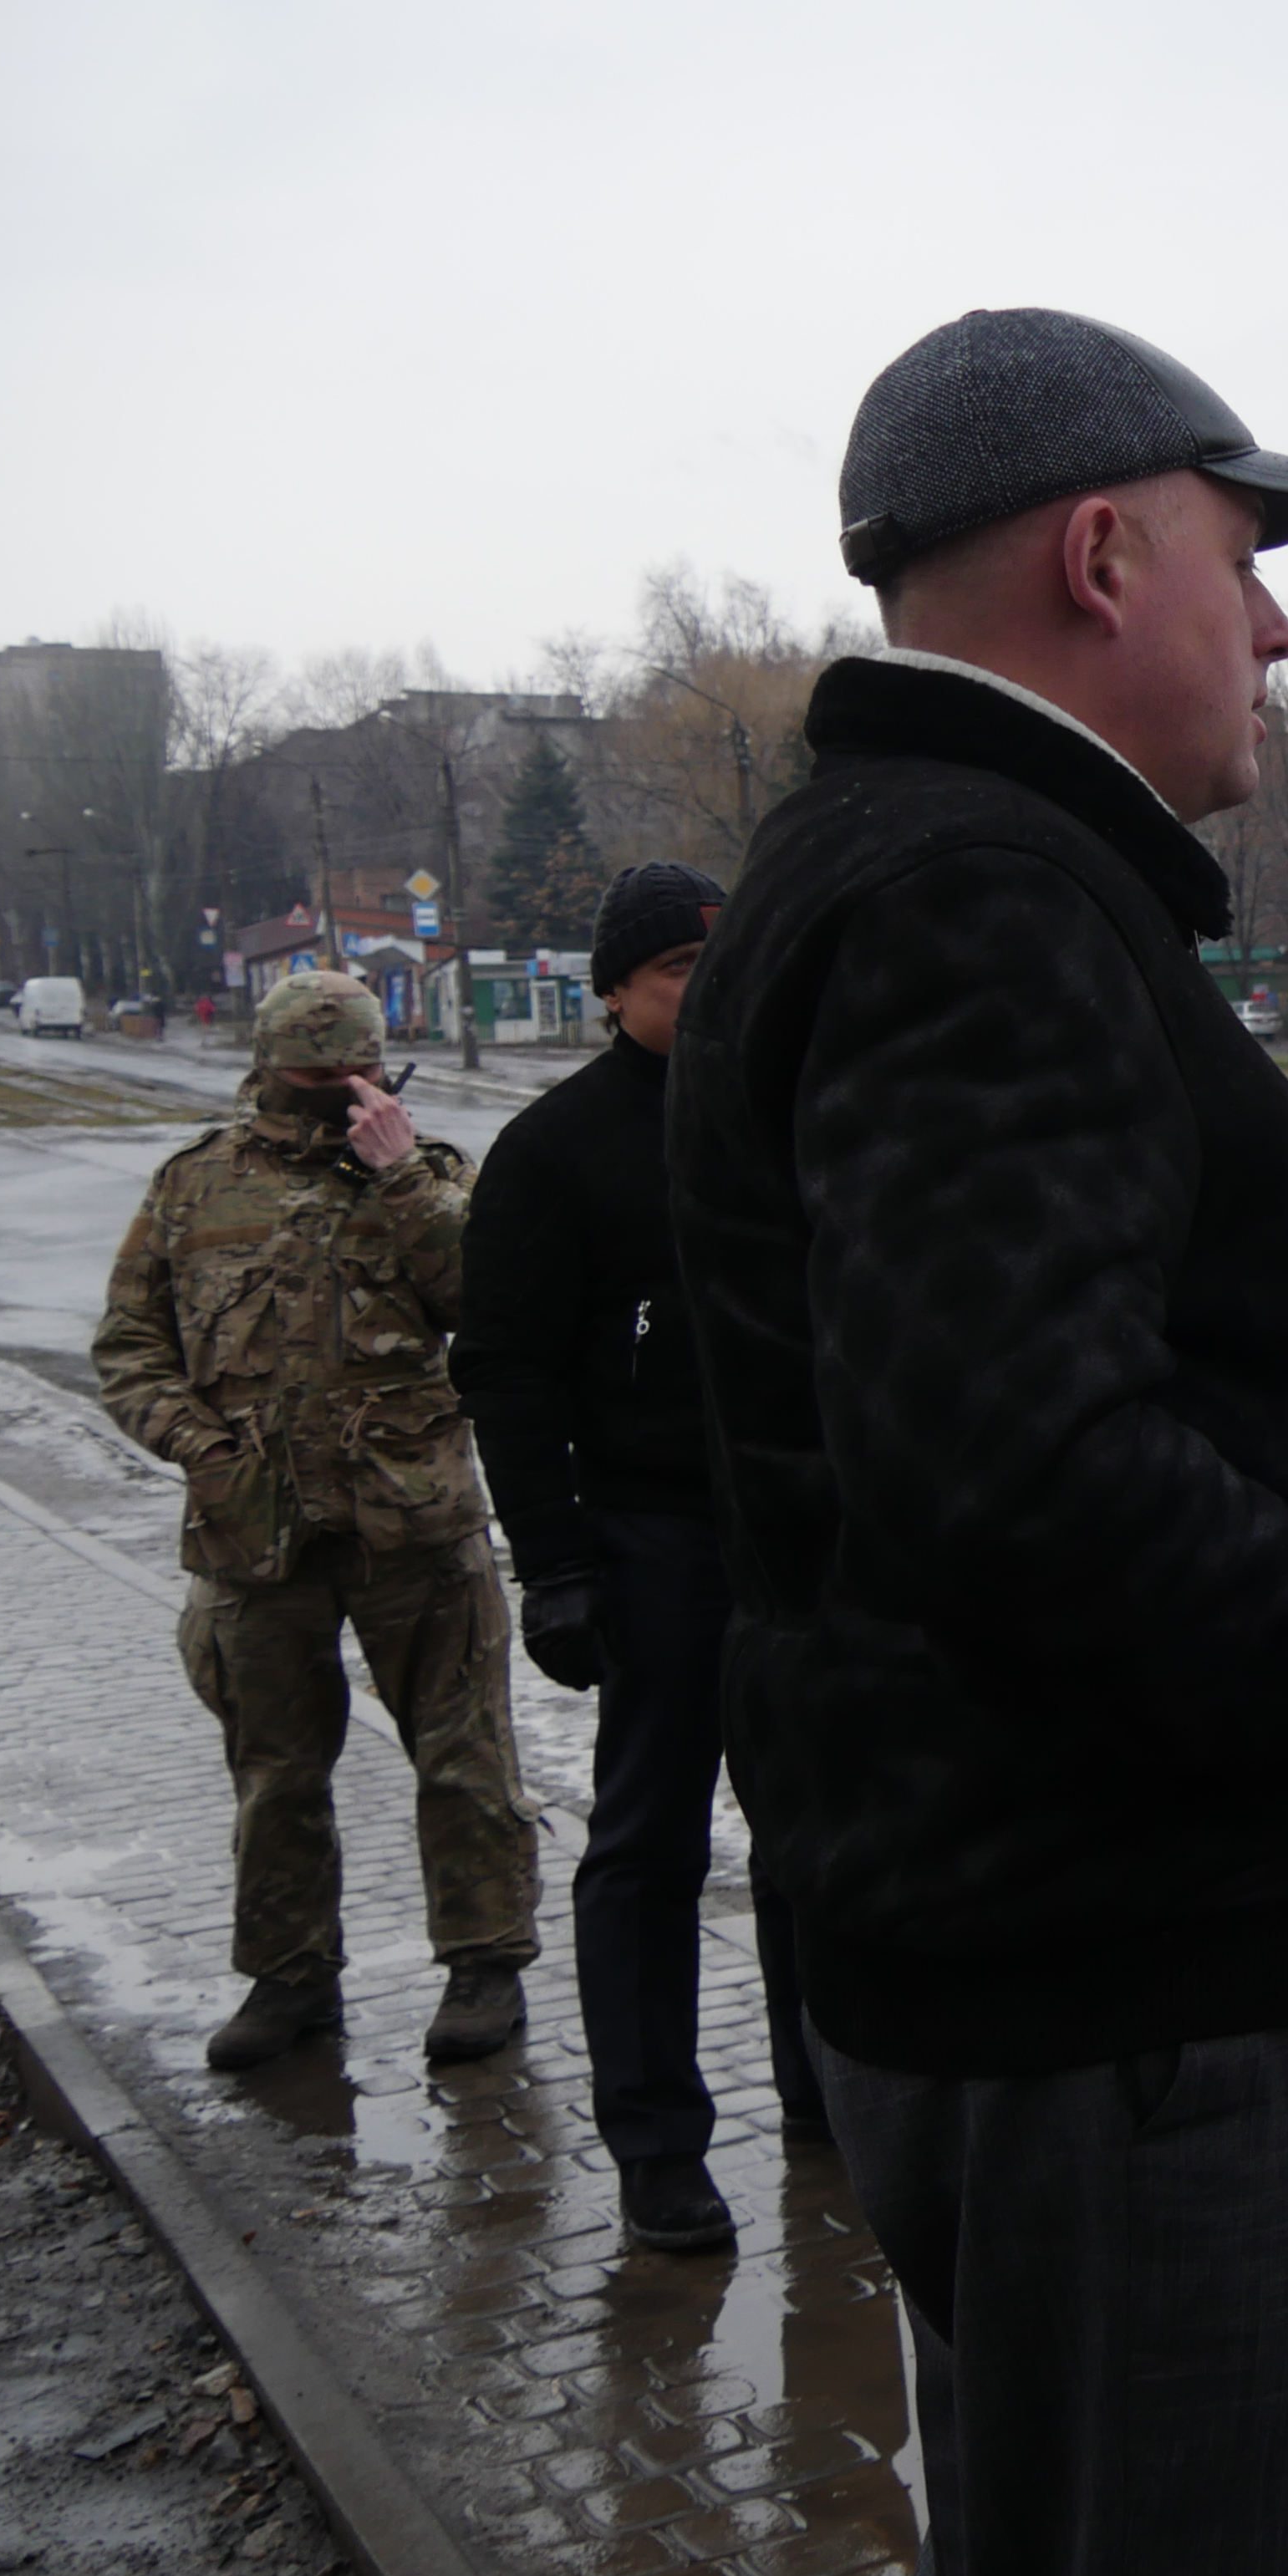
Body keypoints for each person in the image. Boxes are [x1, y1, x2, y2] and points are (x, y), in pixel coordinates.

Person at [664, 307, 1288, 2576]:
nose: (1281, 629)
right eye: (1248, 559)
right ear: (1104, 558)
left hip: (1040, 1974)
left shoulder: (917, 864)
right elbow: (1015, 1469)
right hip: (1125, 2009)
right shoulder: (976, 896)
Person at [455, 858, 821, 2257]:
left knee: (814, 1834)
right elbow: (506, 1367)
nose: (713, 990)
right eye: (680, 969)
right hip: (653, 1544)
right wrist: (553, 1561)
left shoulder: (793, 1115)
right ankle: (659, 2145)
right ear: (614, 990)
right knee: (648, 1847)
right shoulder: (557, 1151)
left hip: (800, 1536)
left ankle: (826, 2095)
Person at [91, 967, 541, 2074]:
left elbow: (486, 1309)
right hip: (254, 1532)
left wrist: (400, 1176)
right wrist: (199, 1446)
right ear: (269, 1068)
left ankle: (484, 1964)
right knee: (276, 1775)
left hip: (413, 1520)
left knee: (464, 1758)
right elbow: (130, 1347)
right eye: (315, 1075)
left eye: (357, 1072)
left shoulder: (431, 1174)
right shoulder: (195, 1184)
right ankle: (289, 1978)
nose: (339, 1091)